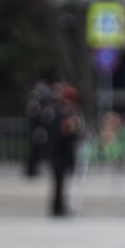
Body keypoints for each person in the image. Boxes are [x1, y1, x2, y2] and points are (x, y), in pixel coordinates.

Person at [48, 83, 84, 217]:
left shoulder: (64, 111)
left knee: (61, 183)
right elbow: (64, 131)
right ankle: (57, 208)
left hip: (62, 152)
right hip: (60, 152)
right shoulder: (63, 112)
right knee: (59, 182)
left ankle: (59, 207)